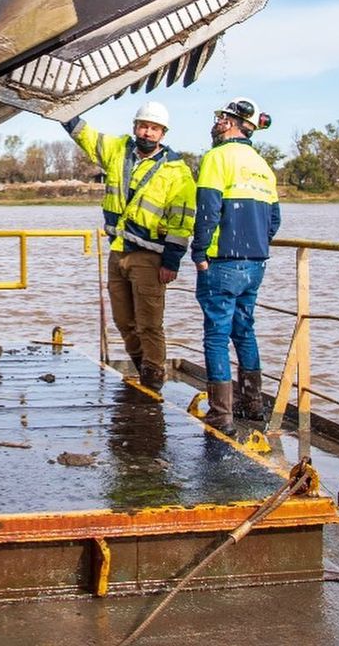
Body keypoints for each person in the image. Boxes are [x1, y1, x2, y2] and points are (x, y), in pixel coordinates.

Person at [64, 102, 196, 390]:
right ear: (135, 127)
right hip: (119, 251)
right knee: (124, 321)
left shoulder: (177, 171)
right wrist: (64, 114)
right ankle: (142, 370)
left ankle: (153, 381)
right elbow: (87, 136)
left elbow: (182, 220)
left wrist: (172, 262)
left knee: (149, 324)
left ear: (162, 133)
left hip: (151, 257)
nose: (147, 132)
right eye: (143, 126)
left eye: (154, 128)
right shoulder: (117, 151)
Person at [191, 96, 280, 433]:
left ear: (230, 123)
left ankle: (221, 415)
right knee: (245, 330)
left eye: (220, 117)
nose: (216, 122)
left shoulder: (217, 157)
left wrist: (200, 252)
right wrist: (256, 244)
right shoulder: (262, 165)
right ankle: (252, 406)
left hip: (222, 262)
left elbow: (208, 211)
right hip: (255, 262)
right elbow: (274, 220)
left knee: (216, 336)